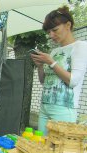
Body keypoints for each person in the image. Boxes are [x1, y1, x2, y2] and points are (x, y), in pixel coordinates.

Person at [31, 6, 87, 135]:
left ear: (68, 25)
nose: (51, 35)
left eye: (55, 30)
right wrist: (40, 65)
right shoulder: (55, 51)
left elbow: (73, 81)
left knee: (58, 152)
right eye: (49, 32)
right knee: (42, 150)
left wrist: (51, 62)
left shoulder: (81, 47)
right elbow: (44, 81)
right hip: (45, 106)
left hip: (64, 109)